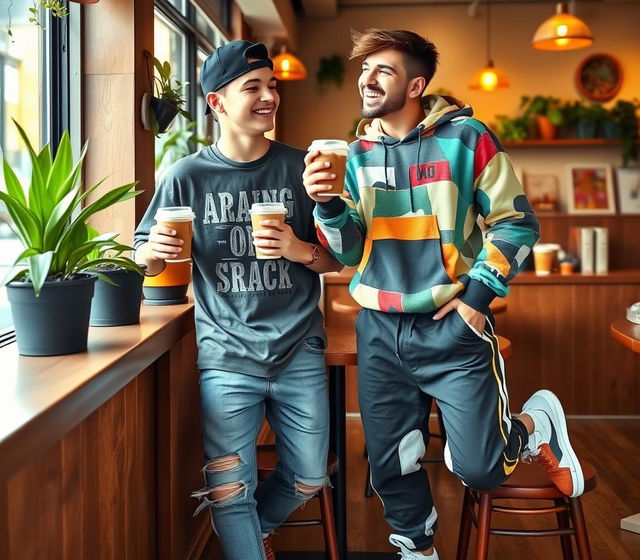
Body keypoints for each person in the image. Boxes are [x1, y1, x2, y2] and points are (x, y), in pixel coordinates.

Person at [303, 29, 584, 559]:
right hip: (381, 330)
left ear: (416, 84)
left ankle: (535, 420)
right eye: (364, 69)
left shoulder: (467, 138)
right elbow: (347, 253)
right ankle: (417, 548)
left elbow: (516, 224)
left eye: (382, 70)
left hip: (453, 327)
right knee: (390, 463)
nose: (367, 79)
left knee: (478, 467)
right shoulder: (356, 154)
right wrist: (327, 206)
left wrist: (476, 301)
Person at [134, 40, 342, 560]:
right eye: (253, 87)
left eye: (273, 85)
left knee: (311, 475)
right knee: (229, 491)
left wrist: (298, 248)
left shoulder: (303, 168)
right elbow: (142, 254)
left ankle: (258, 529)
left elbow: (337, 262)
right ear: (217, 102)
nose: (270, 95)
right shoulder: (186, 176)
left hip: (299, 350)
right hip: (226, 358)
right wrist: (152, 254)